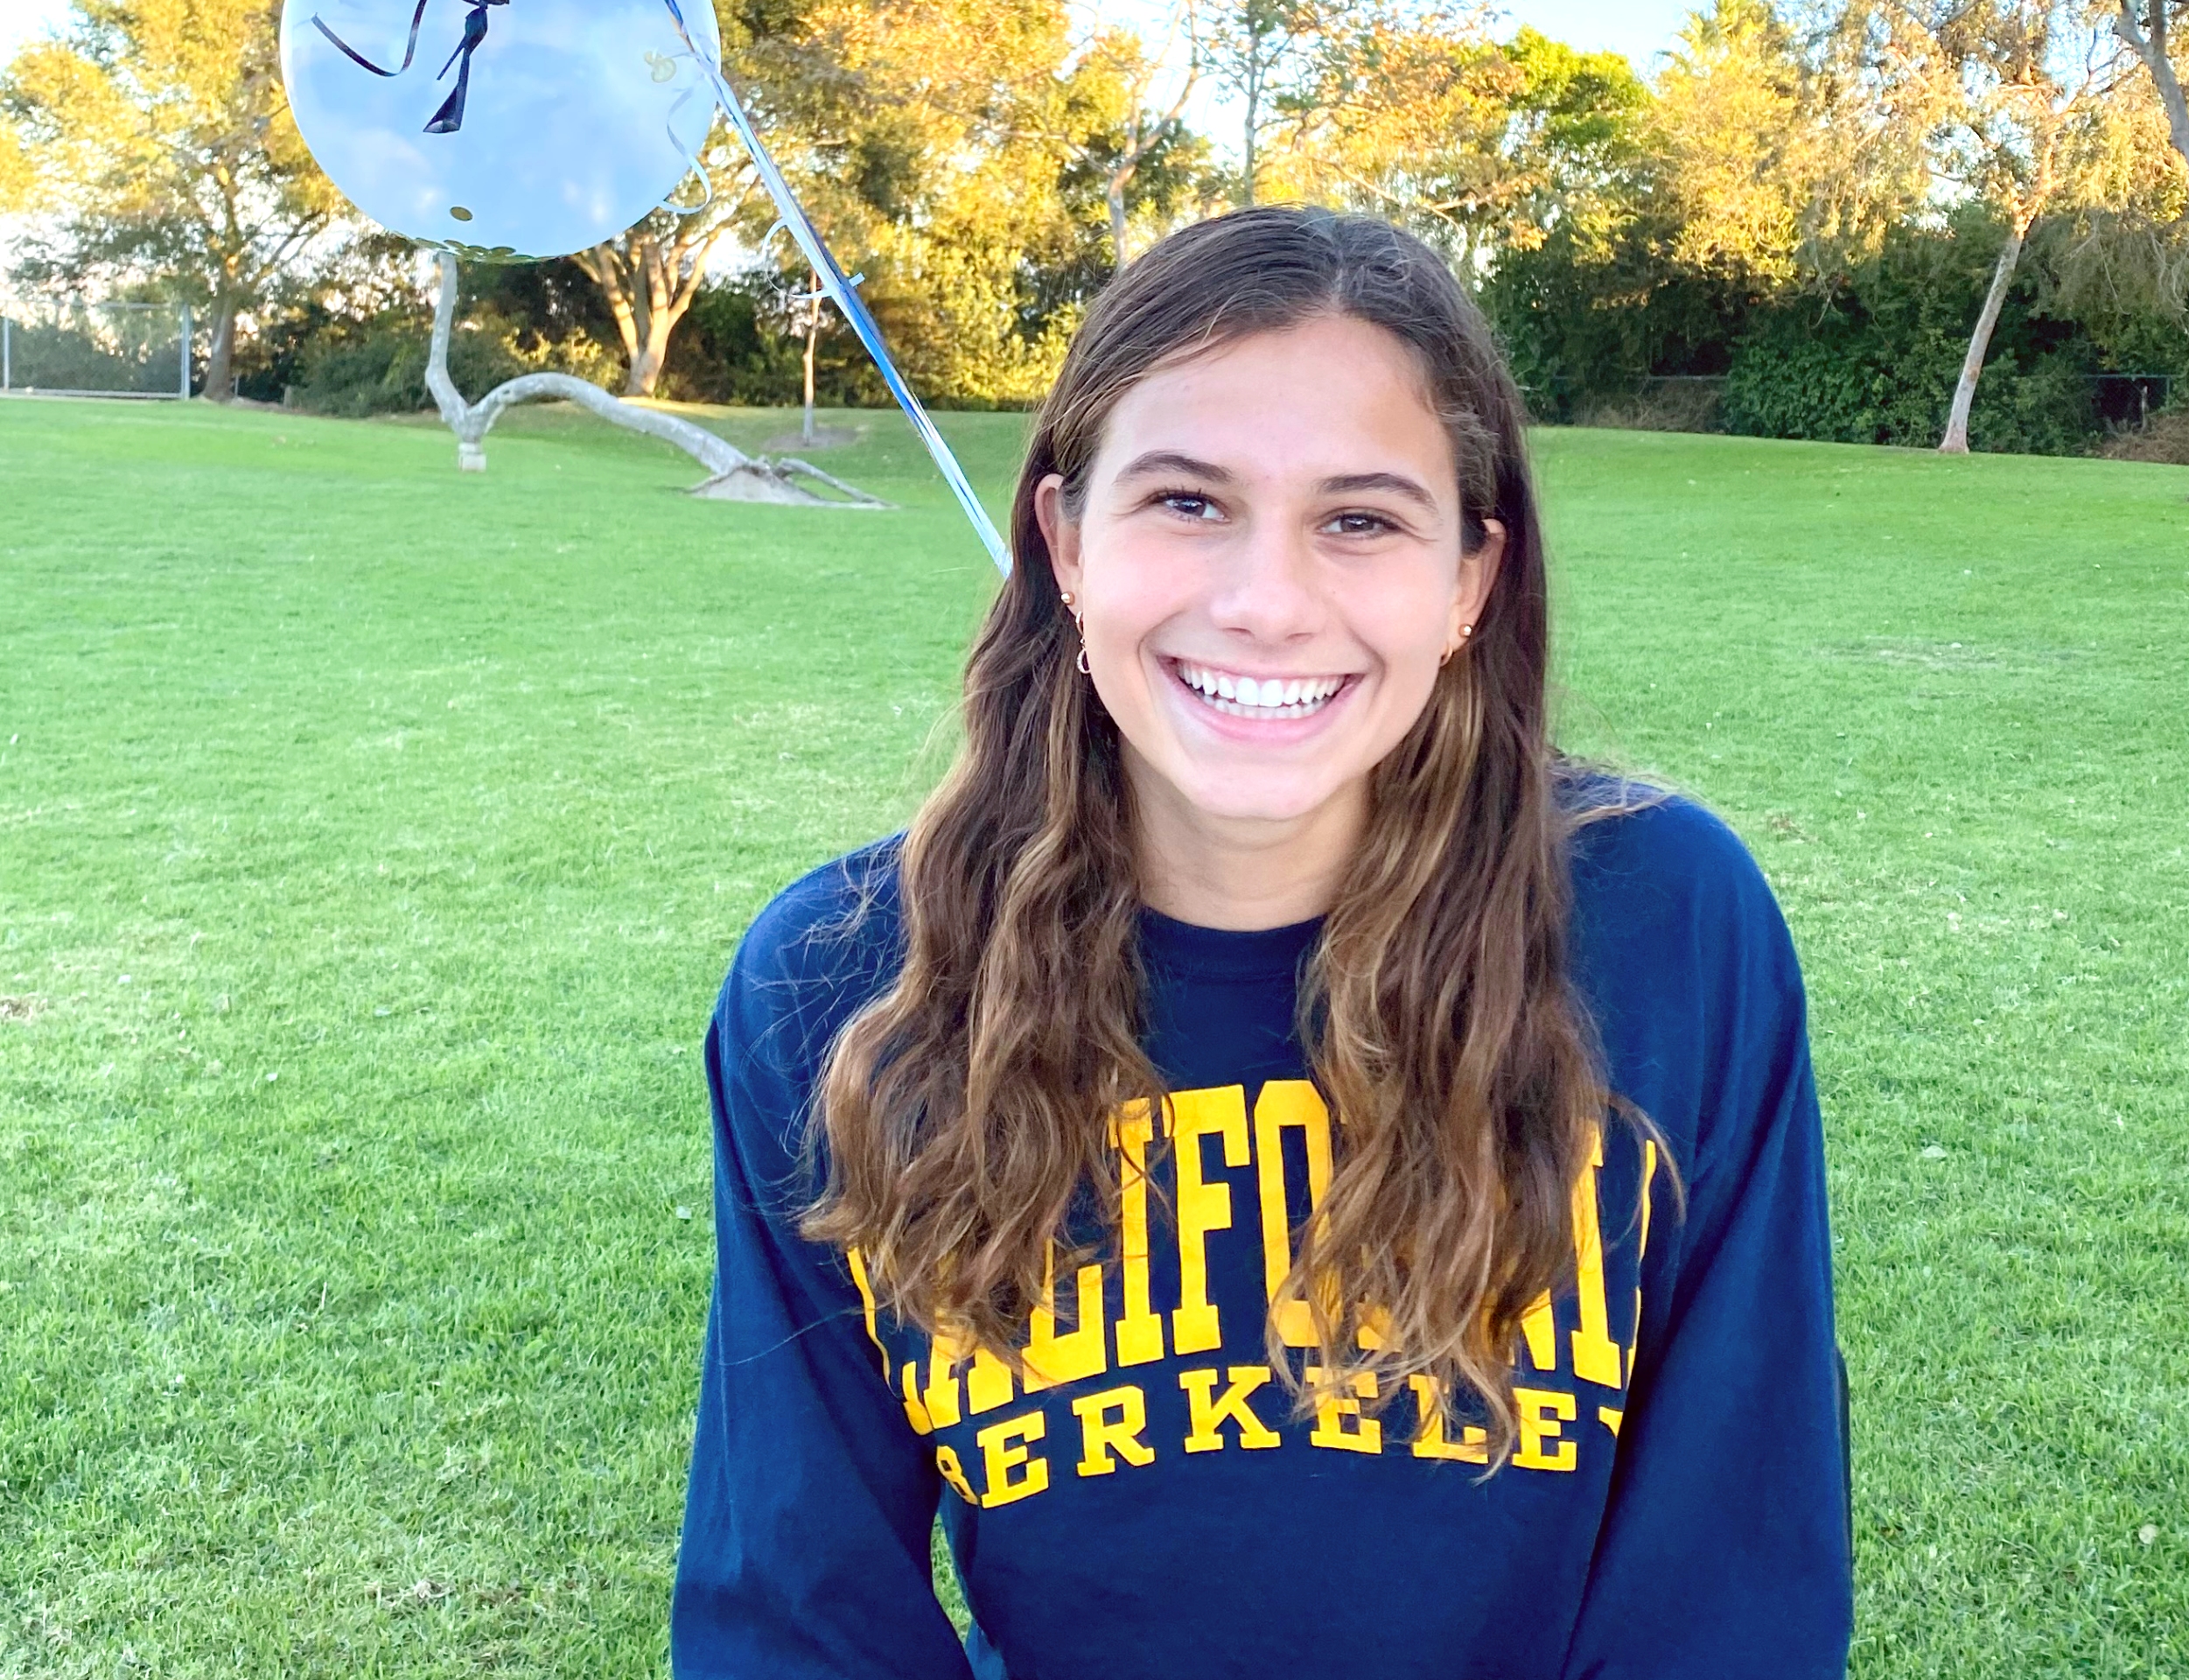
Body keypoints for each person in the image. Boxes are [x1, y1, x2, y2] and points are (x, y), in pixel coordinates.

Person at [670, 206, 1852, 1678]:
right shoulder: (843, 984)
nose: (1267, 606)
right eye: (1186, 500)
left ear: (1469, 581)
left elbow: (1730, 1584)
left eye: (1360, 520)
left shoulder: (1668, 925)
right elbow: (796, 1616)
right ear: (1065, 540)